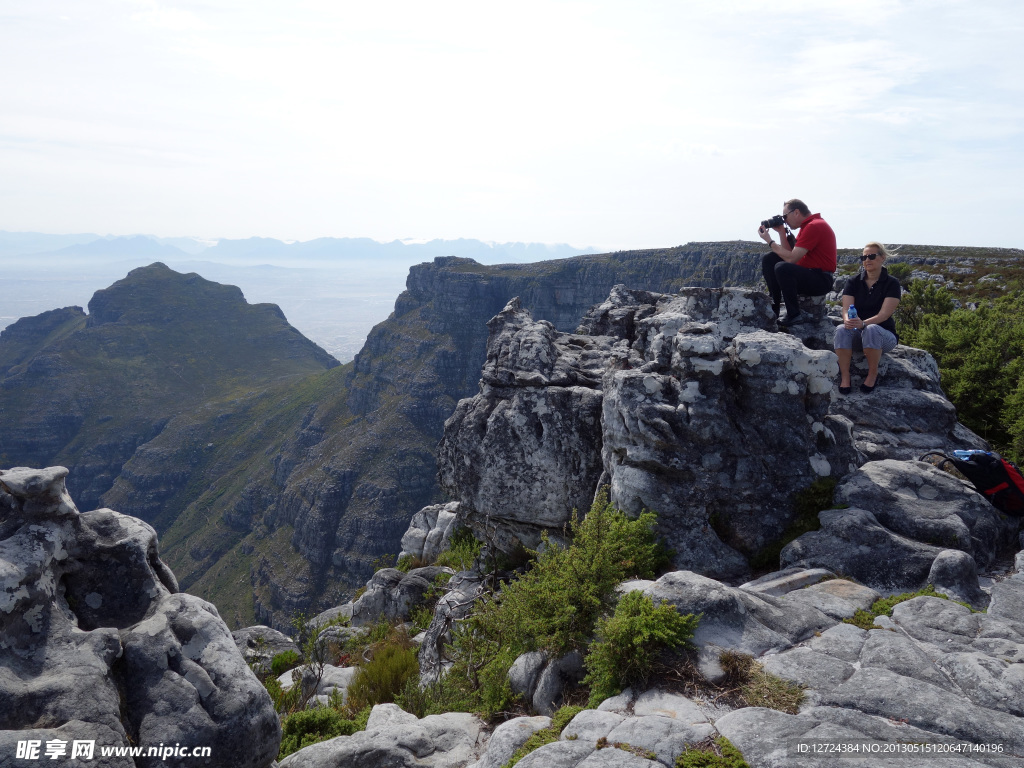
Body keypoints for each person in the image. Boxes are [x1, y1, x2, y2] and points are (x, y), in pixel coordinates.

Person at [834, 242, 902, 395]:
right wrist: (848, 320)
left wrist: (863, 323)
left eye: (871, 256)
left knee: (871, 329)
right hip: (859, 332)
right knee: (841, 329)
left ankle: (872, 374)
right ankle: (845, 376)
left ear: (882, 258)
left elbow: (884, 315)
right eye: (863, 257)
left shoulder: (892, 283)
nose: (867, 260)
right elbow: (846, 308)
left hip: (884, 336)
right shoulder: (853, 281)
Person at [758, 199, 837, 326]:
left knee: (782, 267)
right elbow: (789, 254)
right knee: (770, 259)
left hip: (821, 279)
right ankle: (774, 309)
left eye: (785, 216)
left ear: (796, 212)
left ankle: (793, 315)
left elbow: (790, 259)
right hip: (811, 275)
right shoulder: (808, 226)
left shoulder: (814, 226)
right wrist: (782, 232)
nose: (784, 220)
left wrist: (770, 241)